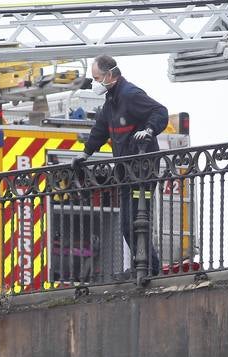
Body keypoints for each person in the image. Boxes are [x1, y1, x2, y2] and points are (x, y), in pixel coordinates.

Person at [76, 55, 169, 277]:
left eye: (96, 78)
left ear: (110, 75)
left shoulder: (130, 95)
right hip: (127, 171)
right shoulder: (111, 101)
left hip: (142, 171)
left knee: (137, 220)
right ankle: (145, 266)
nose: (95, 83)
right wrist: (85, 153)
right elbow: (100, 130)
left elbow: (160, 112)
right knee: (129, 223)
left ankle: (148, 268)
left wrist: (148, 130)